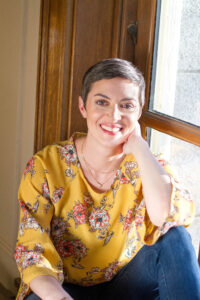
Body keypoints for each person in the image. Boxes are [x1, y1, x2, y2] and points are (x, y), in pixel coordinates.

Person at [15, 58, 200, 300]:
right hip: (65, 289)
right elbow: (32, 250)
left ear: (139, 112)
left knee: (176, 237)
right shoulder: (45, 167)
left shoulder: (148, 165)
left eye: (126, 106)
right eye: (102, 102)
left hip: (128, 284)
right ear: (83, 106)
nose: (114, 115)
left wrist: (140, 146)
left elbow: (164, 217)